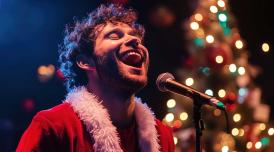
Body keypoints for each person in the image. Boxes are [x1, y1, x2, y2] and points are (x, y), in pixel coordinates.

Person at [17, 4, 175, 152]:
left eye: (136, 37)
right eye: (114, 36)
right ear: (85, 62)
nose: (134, 41)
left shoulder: (163, 135)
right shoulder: (53, 126)